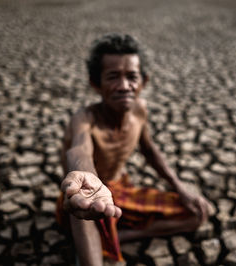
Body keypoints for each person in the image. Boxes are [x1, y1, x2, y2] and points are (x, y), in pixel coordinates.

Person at [56, 33, 212, 266]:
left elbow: (149, 150)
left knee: (199, 212)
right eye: (112, 77)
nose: (124, 86)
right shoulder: (85, 118)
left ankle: (119, 237)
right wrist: (87, 177)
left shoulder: (140, 111)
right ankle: (93, 252)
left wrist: (180, 188)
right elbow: (80, 149)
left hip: (121, 191)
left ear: (143, 82)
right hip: (89, 195)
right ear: (95, 83)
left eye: (132, 77)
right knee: (85, 206)